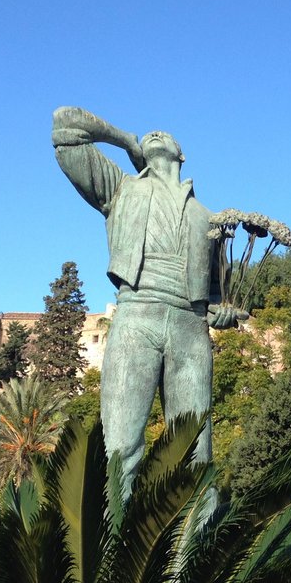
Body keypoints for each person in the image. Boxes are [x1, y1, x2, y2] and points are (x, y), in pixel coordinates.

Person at [52, 106, 237, 501]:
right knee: (121, 447)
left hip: (190, 326)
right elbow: (65, 129)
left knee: (195, 452)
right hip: (137, 312)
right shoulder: (121, 189)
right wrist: (125, 140)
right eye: (151, 134)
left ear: (180, 155)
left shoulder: (209, 219)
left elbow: (219, 292)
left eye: (165, 135)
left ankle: (195, 551)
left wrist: (221, 313)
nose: (156, 133)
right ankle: (116, 552)